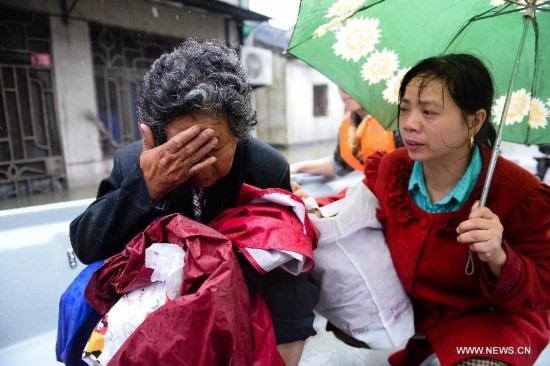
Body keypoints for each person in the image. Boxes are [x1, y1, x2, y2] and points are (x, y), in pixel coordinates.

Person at [69, 38, 319, 366]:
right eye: (186, 150)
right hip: (153, 314)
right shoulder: (135, 163)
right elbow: (87, 246)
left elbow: (284, 267)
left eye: (212, 149)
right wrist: (146, 188)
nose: (201, 166)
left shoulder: (266, 167)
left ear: (239, 134)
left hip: (236, 302)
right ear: (159, 138)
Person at [363, 53, 550, 365]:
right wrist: (312, 205)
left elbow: (544, 284)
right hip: (419, 319)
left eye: (429, 112)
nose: (409, 124)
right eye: (405, 109)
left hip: (494, 323)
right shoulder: (394, 168)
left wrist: (499, 257)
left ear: (475, 120)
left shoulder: (520, 193)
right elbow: (363, 202)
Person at [289, 88, 399, 177]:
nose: (344, 90)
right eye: (340, 84)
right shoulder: (350, 123)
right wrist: (300, 167)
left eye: (354, 83)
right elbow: (340, 163)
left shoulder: (396, 120)